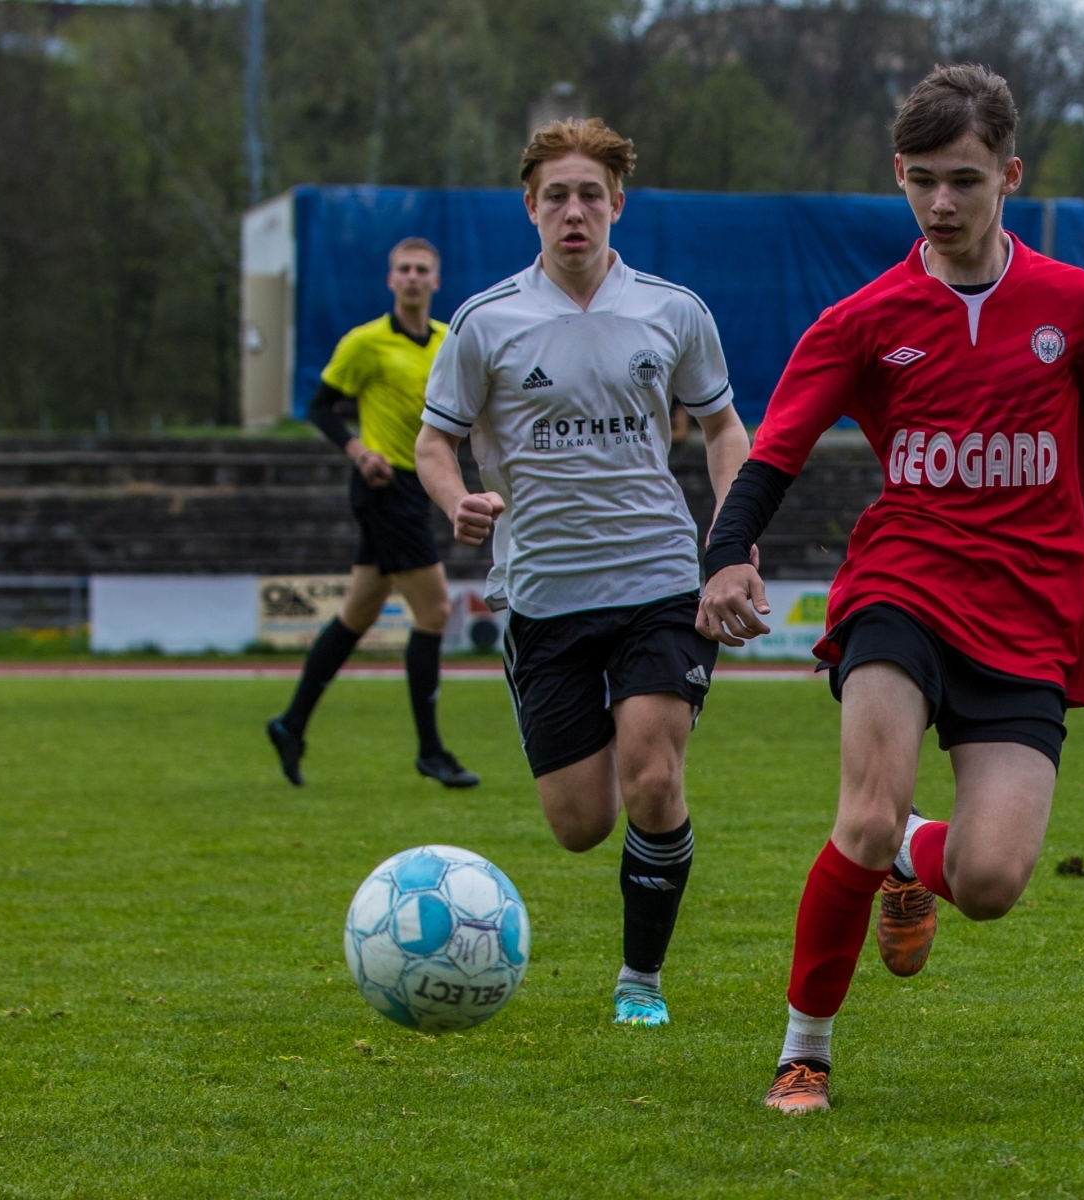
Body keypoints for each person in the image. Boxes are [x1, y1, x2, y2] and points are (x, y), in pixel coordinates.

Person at [696, 64, 1084, 1113]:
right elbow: (777, 451)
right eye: (922, 179)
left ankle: (914, 857)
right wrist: (728, 552)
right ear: (898, 173)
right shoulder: (863, 320)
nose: (941, 202)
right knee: (864, 814)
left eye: (965, 179)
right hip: (903, 584)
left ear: (1010, 175)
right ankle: (804, 1053)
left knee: (990, 882)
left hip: (1030, 612)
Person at [415, 118, 751, 1027]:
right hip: (544, 598)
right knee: (580, 824)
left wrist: (731, 537)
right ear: (530, 207)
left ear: (618, 204)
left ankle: (640, 981)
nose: (574, 211)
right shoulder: (485, 322)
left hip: (660, 582)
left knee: (654, 778)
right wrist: (456, 498)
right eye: (556, 196)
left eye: (590, 195)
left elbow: (724, 428)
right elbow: (434, 442)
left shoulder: (672, 311)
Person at [266, 238, 478, 789]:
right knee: (434, 611)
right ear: (390, 280)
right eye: (403, 269)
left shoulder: (448, 342)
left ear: (436, 281)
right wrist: (359, 451)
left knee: (357, 615)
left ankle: (290, 725)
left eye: (422, 270)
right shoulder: (365, 342)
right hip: (384, 488)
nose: (412, 277)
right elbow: (319, 407)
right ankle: (431, 751)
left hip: (418, 487)